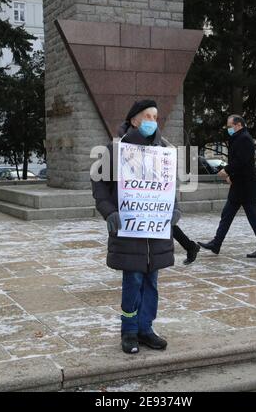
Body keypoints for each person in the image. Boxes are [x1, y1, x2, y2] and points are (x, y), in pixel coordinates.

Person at [92, 99, 198, 354]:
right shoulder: (113, 150)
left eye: (155, 117)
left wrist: (174, 208)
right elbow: (99, 187)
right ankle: (129, 331)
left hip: (157, 231)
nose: (152, 121)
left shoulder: (164, 150)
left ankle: (146, 328)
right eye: (147, 116)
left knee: (152, 282)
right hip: (130, 230)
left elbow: (168, 187)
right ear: (134, 120)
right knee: (133, 279)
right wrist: (109, 212)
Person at [198, 114, 256, 258]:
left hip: (246, 188)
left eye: (230, 126)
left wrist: (227, 171)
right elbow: (240, 163)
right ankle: (216, 243)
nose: (228, 129)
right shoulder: (239, 138)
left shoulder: (244, 139)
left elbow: (241, 162)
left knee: (253, 218)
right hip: (240, 186)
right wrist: (232, 176)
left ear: (238, 125)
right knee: (227, 215)